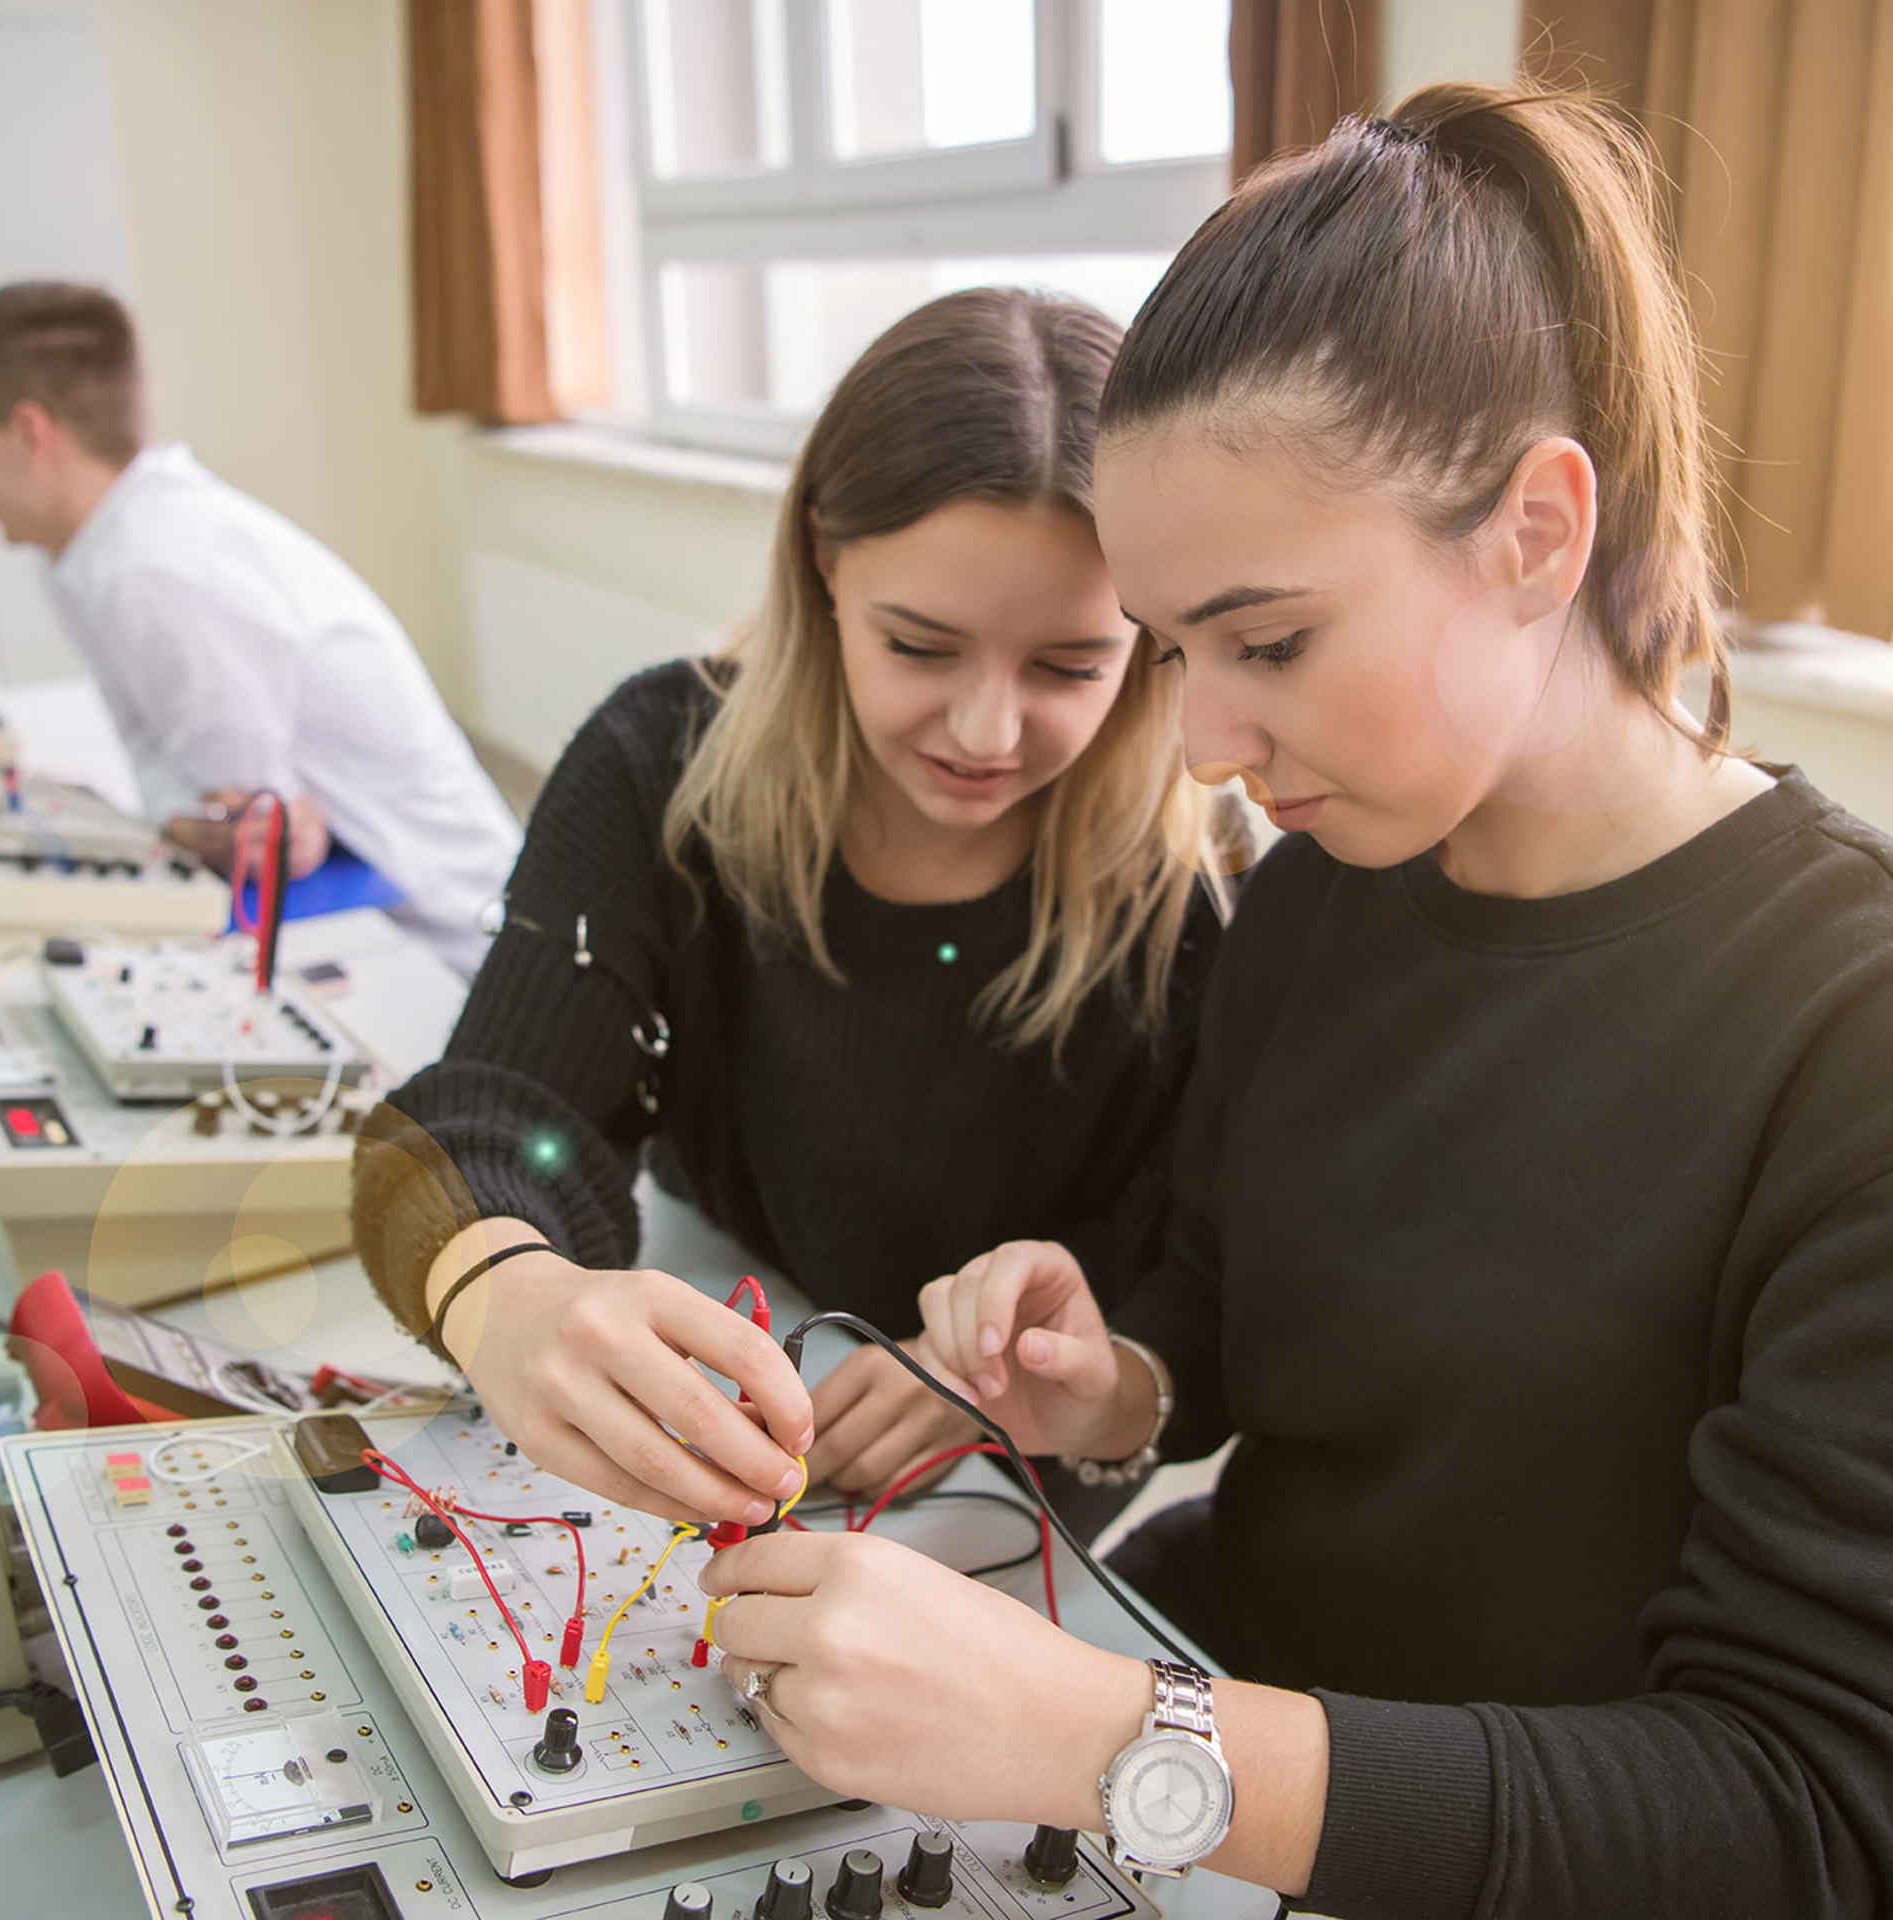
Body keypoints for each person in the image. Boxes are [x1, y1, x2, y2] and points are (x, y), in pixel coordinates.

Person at [683, 85, 1893, 1918]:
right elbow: (1224, 1316)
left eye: (1267, 646)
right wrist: (1109, 1376)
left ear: (1540, 536)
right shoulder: (1321, 897)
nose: (1198, 752)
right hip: (1212, 1699)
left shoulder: (1848, 1025)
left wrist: (1114, 1737)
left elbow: (1800, 1814)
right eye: (1171, 658)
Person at [353, 289, 1233, 1512]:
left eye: (1070, 667)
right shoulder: (661, 768)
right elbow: (476, 1127)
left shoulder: (1194, 901)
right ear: (824, 558)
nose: (987, 734)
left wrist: (1014, 1372)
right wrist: (508, 1290)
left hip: (995, 1503)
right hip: (727, 1348)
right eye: (920, 647)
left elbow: (1180, 1309)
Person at [0, 281, 521, 974]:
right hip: (364, 898)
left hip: (446, 943)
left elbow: (249, 830)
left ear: (29, 433)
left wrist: (191, 821)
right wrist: (181, 819)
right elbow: (171, 781)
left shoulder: (156, 571)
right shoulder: (84, 556)